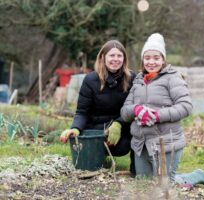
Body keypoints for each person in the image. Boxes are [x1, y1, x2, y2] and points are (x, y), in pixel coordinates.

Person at [120, 33, 193, 182]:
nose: (151, 62)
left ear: (163, 59)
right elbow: (124, 111)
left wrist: (158, 115)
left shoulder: (172, 78)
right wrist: (136, 110)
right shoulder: (138, 81)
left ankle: (196, 177)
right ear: (142, 60)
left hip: (165, 143)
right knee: (143, 186)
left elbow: (186, 106)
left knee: (164, 185)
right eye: (147, 58)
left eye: (156, 58)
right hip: (141, 145)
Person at [60, 40, 136, 175]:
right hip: (95, 131)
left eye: (119, 56)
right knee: (88, 166)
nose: (115, 59)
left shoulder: (132, 78)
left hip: (121, 132)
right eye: (111, 55)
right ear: (103, 57)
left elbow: (134, 108)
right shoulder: (91, 80)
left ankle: (136, 169)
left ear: (124, 59)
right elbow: (82, 111)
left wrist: (119, 124)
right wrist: (75, 128)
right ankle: (97, 157)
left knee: (139, 127)